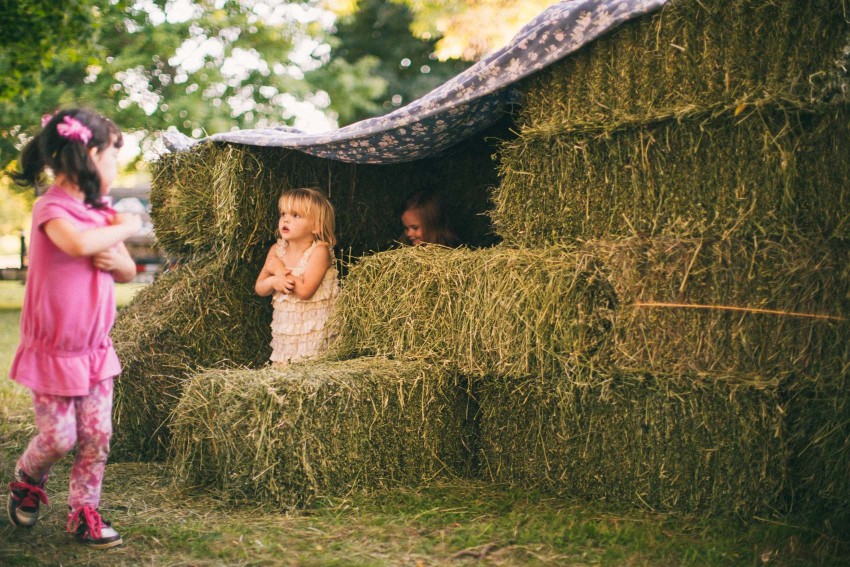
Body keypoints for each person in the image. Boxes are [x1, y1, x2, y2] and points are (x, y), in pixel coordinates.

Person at [6, 108, 141, 549]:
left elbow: (124, 271)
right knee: (60, 437)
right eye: (113, 160)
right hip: (54, 351)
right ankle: (28, 476)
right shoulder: (52, 208)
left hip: (95, 349)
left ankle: (84, 511)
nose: (116, 169)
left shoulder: (101, 215)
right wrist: (129, 225)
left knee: (96, 436)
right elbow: (77, 244)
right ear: (89, 157)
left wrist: (119, 256)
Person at [255, 188, 339, 365]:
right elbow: (260, 287)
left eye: (296, 215)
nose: (285, 219)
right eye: (283, 213)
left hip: (314, 330)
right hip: (287, 330)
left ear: (315, 226)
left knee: (311, 371)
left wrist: (280, 271)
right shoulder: (276, 250)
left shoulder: (319, 252)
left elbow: (305, 291)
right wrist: (273, 280)